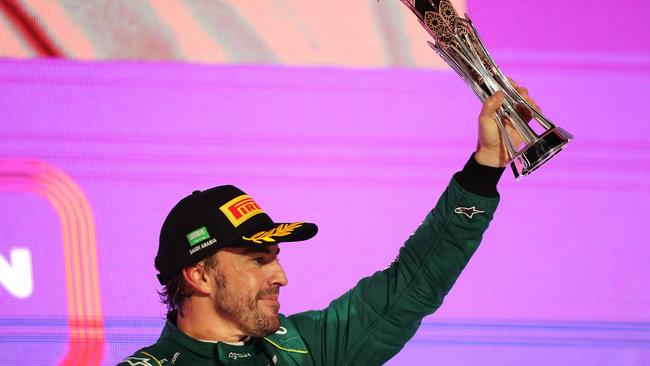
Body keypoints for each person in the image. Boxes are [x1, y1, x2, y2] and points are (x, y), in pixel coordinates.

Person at [119, 83, 536, 366]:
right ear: (199, 275)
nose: (280, 275)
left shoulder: (306, 346)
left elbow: (414, 283)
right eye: (257, 259)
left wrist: (483, 170)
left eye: (275, 257)